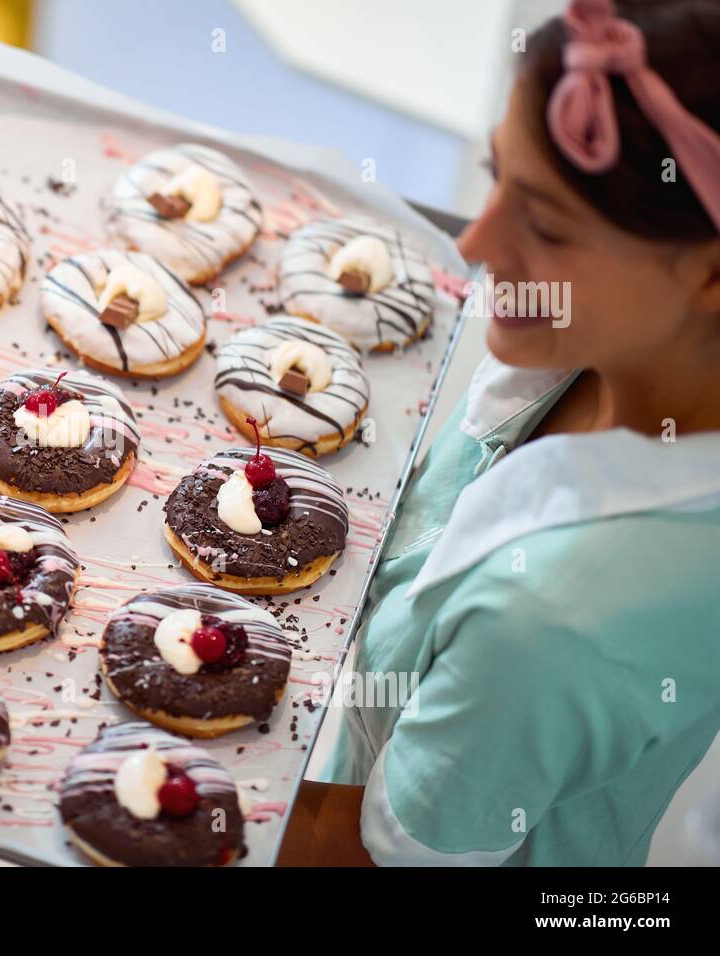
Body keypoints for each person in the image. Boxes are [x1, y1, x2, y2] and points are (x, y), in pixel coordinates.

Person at [279, 0, 720, 866]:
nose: (480, 244)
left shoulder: (553, 621)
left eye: (547, 225)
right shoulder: (596, 342)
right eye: (497, 176)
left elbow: (358, 850)